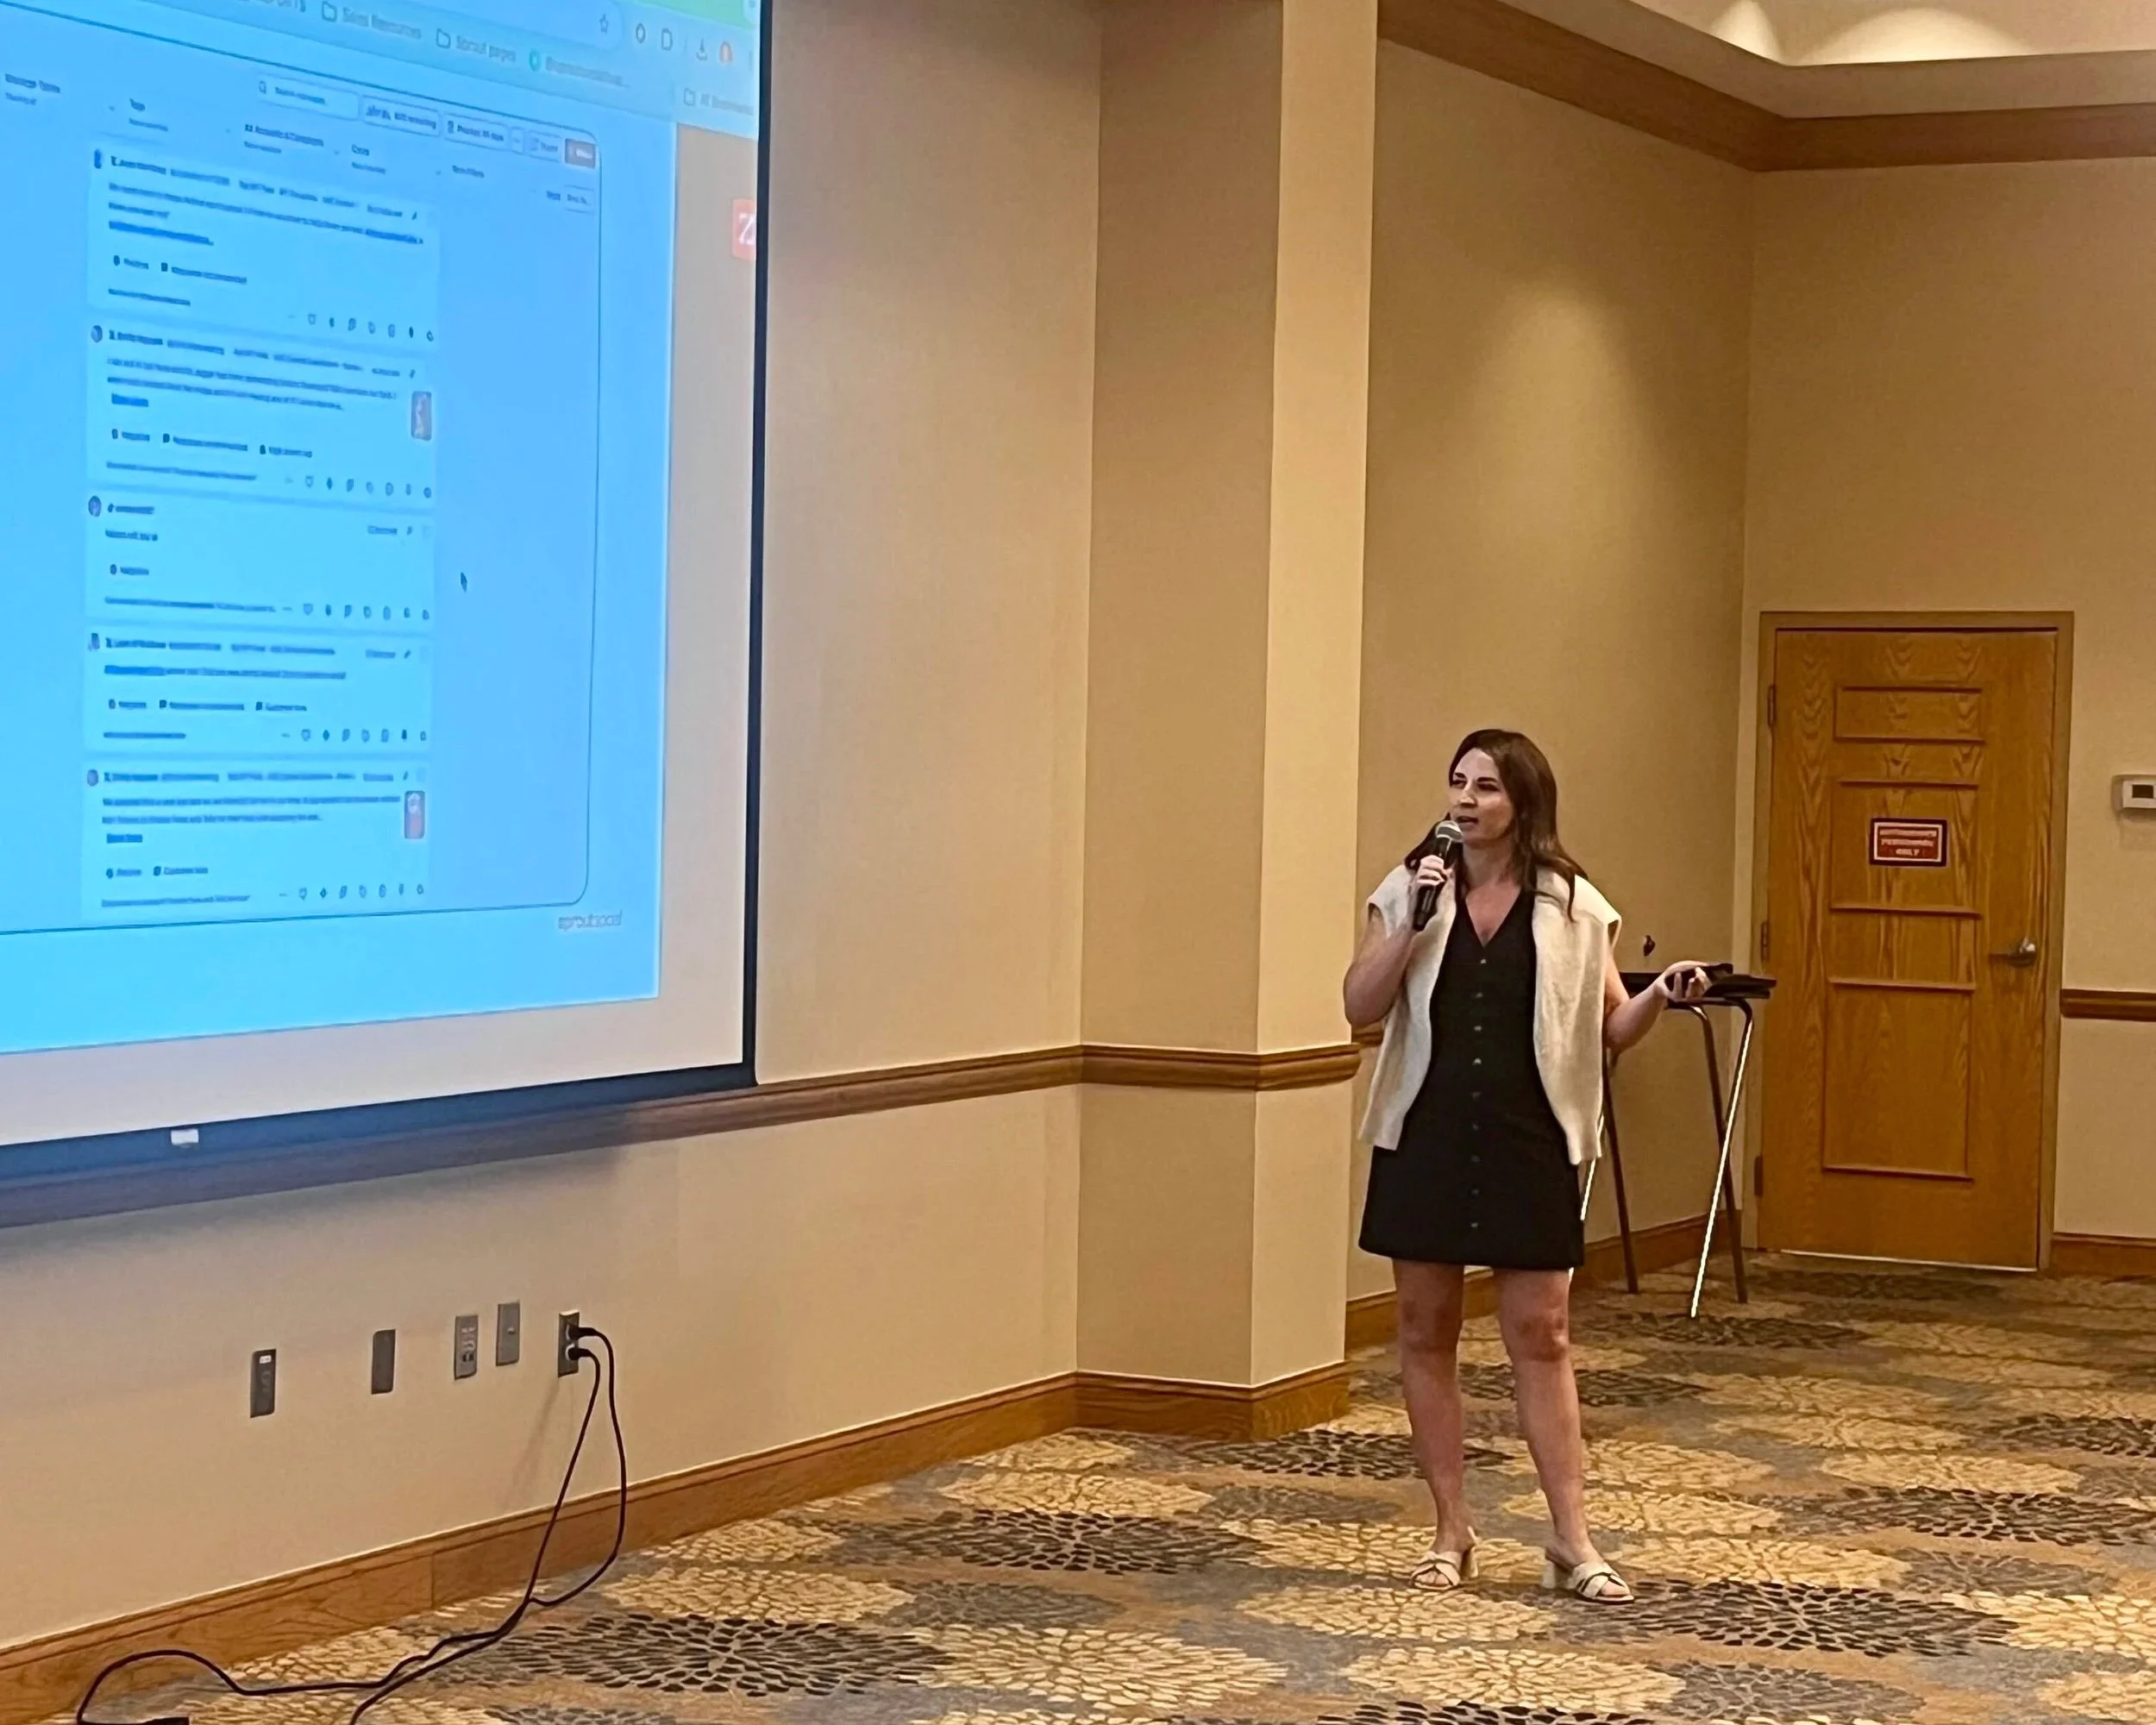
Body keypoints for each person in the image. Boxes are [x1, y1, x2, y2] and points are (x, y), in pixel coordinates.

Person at [1342, 729, 1708, 1604]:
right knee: (1425, 1329)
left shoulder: (1573, 905)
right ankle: (1448, 1528)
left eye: (1487, 788)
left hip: (1527, 1136)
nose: (1466, 800)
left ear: (1523, 803)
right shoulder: (1408, 888)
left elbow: (1610, 1028)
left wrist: (1659, 992)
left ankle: (1570, 1538)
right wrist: (1415, 925)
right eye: (1457, 783)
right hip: (1425, 1133)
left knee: (1541, 1335)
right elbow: (1357, 1003)